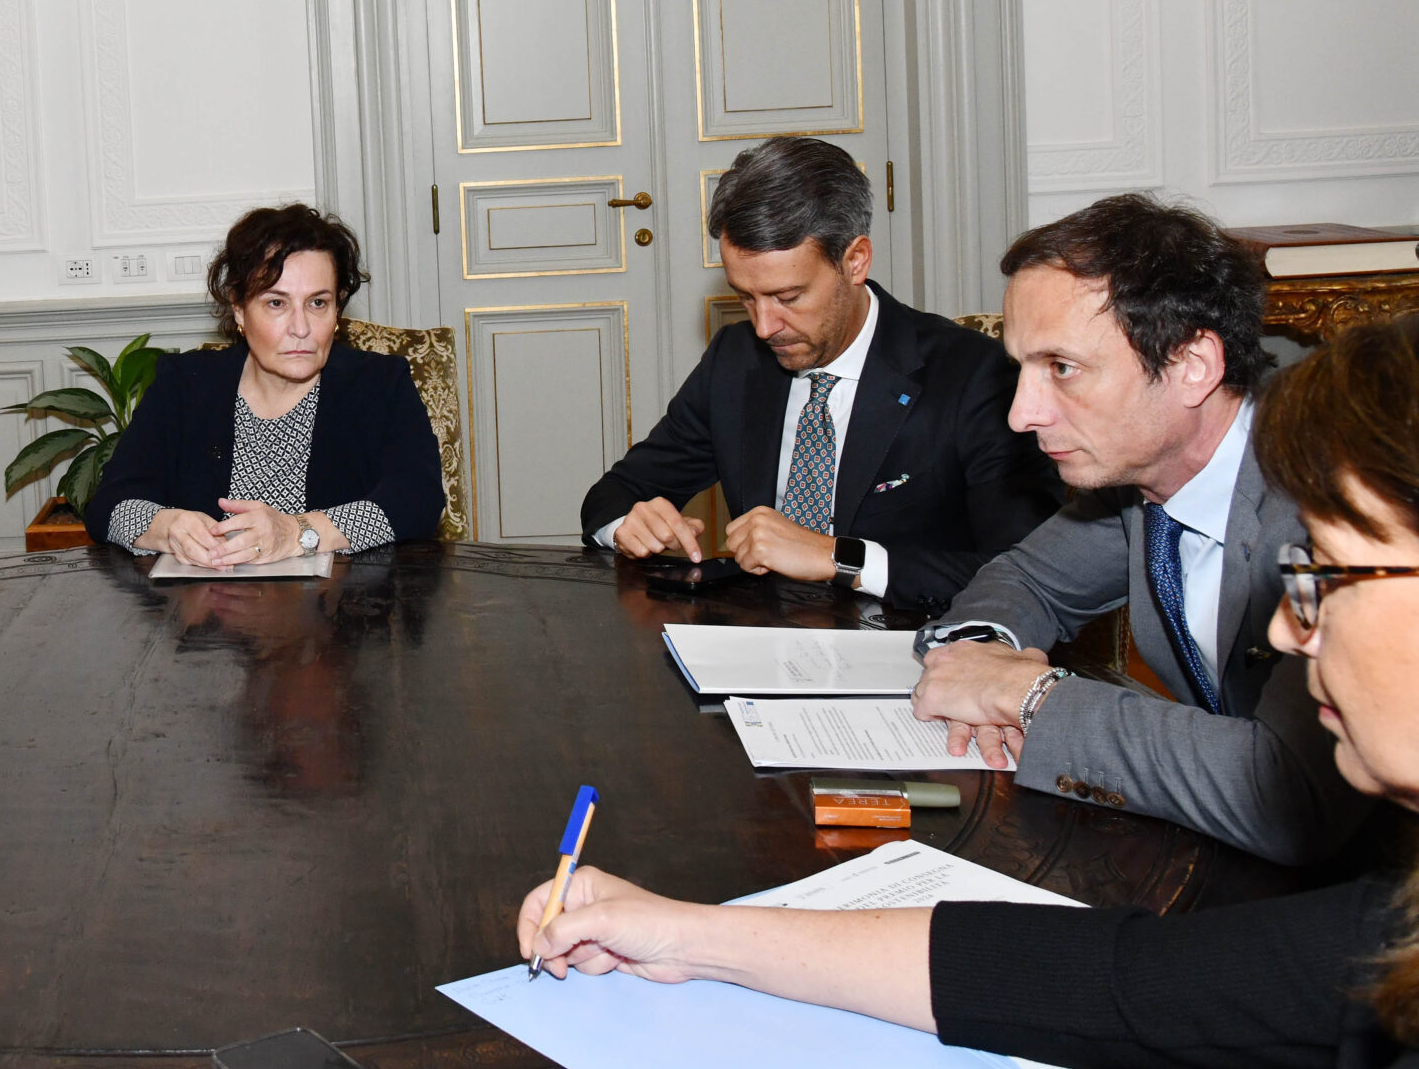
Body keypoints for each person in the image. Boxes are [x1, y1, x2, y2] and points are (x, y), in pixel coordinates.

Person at [514, 313, 1419, 1068]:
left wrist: (1037, 699)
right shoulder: (1380, 931)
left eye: (1324, 578)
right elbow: (1108, 978)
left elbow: (1128, 978)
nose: (1283, 629)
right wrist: (687, 935)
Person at [907, 193, 1365, 864]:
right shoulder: (1139, 483)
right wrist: (977, 653)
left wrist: (1030, 695)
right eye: (1022, 370)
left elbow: (1286, 789)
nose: (1021, 415)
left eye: (1062, 369)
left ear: (1191, 367)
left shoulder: (1324, 508)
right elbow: (1026, 578)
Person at [582, 137, 1058, 613]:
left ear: (855, 261)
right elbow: (616, 492)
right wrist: (627, 523)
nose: (764, 326)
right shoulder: (736, 360)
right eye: (746, 297)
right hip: (756, 643)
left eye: (788, 297)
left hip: (907, 645)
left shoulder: (974, 377)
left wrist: (841, 558)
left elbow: (1029, 572)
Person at [85, 204, 444, 566]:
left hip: (341, 613)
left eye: (318, 303)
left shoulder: (380, 385)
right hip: (206, 614)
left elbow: (418, 499)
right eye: (276, 303)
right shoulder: (184, 384)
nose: (301, 328)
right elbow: (108, 503)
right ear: (239, 308)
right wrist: (167, 526)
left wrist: (298, 533)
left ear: (337, 311)